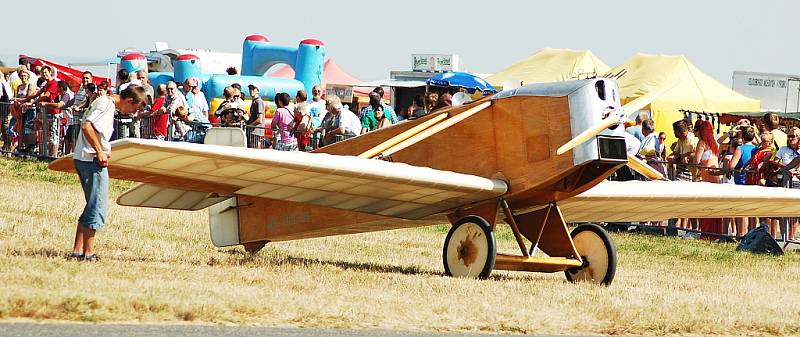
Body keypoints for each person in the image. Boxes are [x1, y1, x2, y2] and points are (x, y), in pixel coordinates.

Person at [69, 85, 147, 261]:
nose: (133, 112)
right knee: (97, 206)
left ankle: (77, 251)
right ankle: (89, 253)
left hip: (84, 158)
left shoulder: (103, 102)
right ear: (128, 101)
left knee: (91, 205)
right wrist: (99, 151)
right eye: (135, 108)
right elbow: (87, 126)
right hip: (92, 160)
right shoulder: (106, 105)